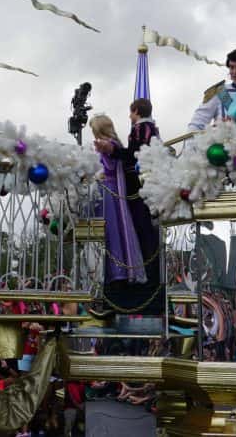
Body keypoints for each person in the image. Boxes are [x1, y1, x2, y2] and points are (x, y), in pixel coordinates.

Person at [93, 99, 163, 314]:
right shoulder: (143, 129)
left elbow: (133, 154)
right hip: (112, 194)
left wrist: (111, 150)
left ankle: (120, 279)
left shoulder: (142, 128)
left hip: (117, 196)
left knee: (118, 238)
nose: (129, 117)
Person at [90, 115, 147, 285]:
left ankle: (117, 271)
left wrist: (105, 151)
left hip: (110, 194)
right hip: (104, 192)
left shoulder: (111, 145)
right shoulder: (108, 145)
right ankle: (103, 270)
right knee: (104, 233)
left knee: (112, 232)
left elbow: (111, 166)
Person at [188, 48, 236, 131]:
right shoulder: (219, 92)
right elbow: (197, 124)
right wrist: (191, 144)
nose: (235, 72)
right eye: (231, 67)